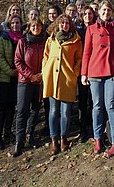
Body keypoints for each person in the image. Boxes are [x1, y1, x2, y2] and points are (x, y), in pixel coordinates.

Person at [81, 1, 114, 157]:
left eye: (109, 9)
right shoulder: (91, 29)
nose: (106, 12)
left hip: (112, 72)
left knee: (111, 105)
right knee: (97, 106)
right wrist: (84, 73)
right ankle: (98, 138)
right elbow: (86, 52)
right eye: (104, 9)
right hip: (94, 72)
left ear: (112, 12)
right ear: (99, 11)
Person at [42, 14, 83, 155]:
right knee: (53, 111)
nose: (64, 25)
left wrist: (74, 73)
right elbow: (45, 57)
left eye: (66, 23)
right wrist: (44, 70)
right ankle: (54, 140)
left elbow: (79, 59)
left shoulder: (76, 40)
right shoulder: (50, 40)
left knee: (65, 112)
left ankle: (64, 138)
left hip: (67, 79)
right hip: (52, 79)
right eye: (62, 23)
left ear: (70, 25)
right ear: (58, 25)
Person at [12, 18, 46, 156]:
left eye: (38, 26)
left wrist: (41, 74)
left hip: (39, 81)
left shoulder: (44, 41)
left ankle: (29, 135)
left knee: (35, 109)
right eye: (33, 26)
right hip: (25, 81)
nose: (36, 28)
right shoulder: (23, 41)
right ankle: (19, 142)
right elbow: (18, 61)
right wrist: (30, 75)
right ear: (29, 27)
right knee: (22, 111)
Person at [0, 15, 22, 150]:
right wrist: (11, 72)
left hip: (19, 78)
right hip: (5, 78)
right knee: (3, 107)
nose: (15, 25)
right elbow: (0, 57)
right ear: (10, 25)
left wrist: (19, 72)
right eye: (13, 23)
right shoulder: (4, 38)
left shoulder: (23, 38)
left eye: (17, 23)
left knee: (12, 106)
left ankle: (8, 131)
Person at [77, 6, 96, 141]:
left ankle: (94, 127)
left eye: (90, 13)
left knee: (94, 100)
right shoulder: (78, 31)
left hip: (95, 67)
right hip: (81, 69)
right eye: (85, 14)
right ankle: (83, 129)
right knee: (83, 100)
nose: (87, 16)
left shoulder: (96, 28)